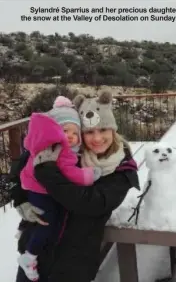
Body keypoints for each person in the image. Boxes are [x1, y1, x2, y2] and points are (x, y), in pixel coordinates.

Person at [11, 89, 140, 282]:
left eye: (103, 129)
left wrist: (47, 173)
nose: (97, 138)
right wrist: (20, 199)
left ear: (113, 130)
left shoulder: (122, 169)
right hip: (36, 253)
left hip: (72, 265)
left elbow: (90, 203)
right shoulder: (69, 152)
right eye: (88, 132)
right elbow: (23, 164)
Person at [17, 95, 101, 281]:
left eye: (74, 132)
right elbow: (70, 173)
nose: (70, 136)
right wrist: (89, 175)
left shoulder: (54, 149)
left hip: (39, 193)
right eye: (64, 131)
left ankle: (30, 251)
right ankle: (29, 256)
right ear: (54, 132)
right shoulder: (58, 150)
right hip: (40, 193)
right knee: (47, 223)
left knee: (49, 222)